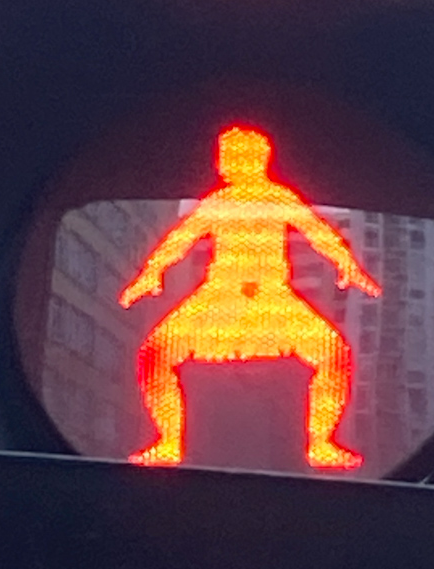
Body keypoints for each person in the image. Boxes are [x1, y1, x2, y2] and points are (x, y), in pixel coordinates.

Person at [120, 126, 381, 468]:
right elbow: (180, 239)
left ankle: (320, 442)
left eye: (234, 157)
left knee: (334, 353)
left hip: (272, 299)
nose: (226, 164)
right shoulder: (218, 203)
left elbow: (319, 233)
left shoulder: (279, 199)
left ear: (258, 159)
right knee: (155, 353)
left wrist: (348, 266)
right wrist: (152, 272)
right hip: (220, 297)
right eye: (225, 157)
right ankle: (170, 440)